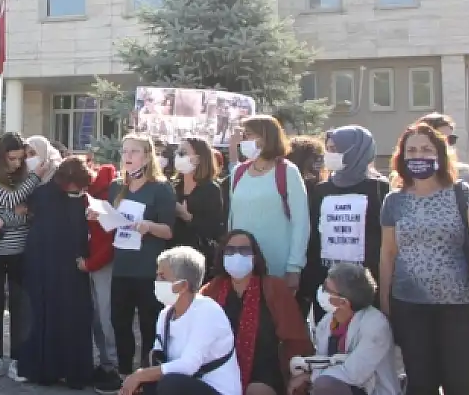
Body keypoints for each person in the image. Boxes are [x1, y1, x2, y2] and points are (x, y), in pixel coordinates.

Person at [379, 121, 469, 395]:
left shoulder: (460, 193)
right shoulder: (393, 201)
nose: (418, 156)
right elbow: (388, 253)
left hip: (461, 307)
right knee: (420, 384)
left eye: (426, 149)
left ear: (440, 154)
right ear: (402, 156)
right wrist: (384, 300)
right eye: (412, 150)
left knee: (459, 384)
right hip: (410, 306)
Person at [95, 133, 175, 377]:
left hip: (148, 269)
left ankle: (147, 375)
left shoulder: (160, 189)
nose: (127, 156)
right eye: (125, 151)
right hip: (122, 268)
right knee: (120, 324)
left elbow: (169, 231)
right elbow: (112, 224)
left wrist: (149, 226)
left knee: (149, 326)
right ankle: (123, 374)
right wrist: (98, 216)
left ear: (147, 156)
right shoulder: (117, 186)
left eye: (134, 152)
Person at [201, 230, 313, 395]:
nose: (237, 255)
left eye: (244, 250)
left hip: (264, 372)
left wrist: (297, 374)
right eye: (230, 250)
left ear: (255, 256)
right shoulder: (211, 290)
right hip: (219, 372)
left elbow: (295, 338)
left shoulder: (274, 288)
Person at [118, 246, 241, 395]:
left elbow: (188, 366)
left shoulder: (208, 312)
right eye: (157, 275)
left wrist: (140, 375)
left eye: (162, 277)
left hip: (216, 390)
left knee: (170, 384)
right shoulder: (166, 314)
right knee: (149, 381)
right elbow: (158, 357)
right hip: (186, 384)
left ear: (183, 285)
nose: (156, 281)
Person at [0, 132, 50, 381]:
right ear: (1, 156)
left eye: (20, 158)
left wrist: (4, 218)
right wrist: (34, 179)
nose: (17, 163)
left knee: (19, 306)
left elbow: (28, 212)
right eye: (12, 158)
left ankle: (17, 359)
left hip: (18, 249)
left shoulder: (21, 176)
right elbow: (0, 205)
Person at [18, 157, 95, 388]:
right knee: (55, 318)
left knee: (63, 318)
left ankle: (58, 371)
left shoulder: (60, 197)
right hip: (53, 266)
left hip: (62, 266)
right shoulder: (49, 195)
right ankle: (60, 372)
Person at [302, 126, 389, 322]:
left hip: (365, 283)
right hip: (328, 282)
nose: (330, 154)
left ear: (355, 151)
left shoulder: (379, 188)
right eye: (328, 149)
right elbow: (315, 236)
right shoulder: (322, 190)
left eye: (335, 149)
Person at [287, 263, 400, 395]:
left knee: (324, 385)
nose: (321, 291)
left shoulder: (376, 325)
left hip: (371, 390)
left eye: (326, 289)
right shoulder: (327, 321)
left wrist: (310, 377)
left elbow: (354, 373)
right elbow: (323, 361)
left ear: (343, 302)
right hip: (343, 386)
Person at [227, 115, 310, 289]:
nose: (243, 140)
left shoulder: (287, 171)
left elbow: (300, 222)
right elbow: (232, 219)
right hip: (241, 266)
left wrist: (294, 267)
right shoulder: (239, 172)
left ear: (266, 137)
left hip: (277, 267)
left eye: (247, 135)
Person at [86, 162, 122, 394]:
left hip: (102, 264)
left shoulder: (109, 195)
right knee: (96, 316)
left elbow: (110, 239)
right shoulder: (89, 194)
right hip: (91, 263)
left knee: (106, 315)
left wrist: (91, 263)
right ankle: (105, 362)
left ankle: (113, 365)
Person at [171, 136, 225, 277]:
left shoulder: (210, 189)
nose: (177, 156)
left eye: (183, 153)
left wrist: (187, 216)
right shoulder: (174, 187)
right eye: (177, 152)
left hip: (198, 259)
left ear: (199, 159)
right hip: (172, 256)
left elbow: (213, 228)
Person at [418, 112, 469, 189]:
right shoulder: (407, 176)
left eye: (450, 139)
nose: (446, 146)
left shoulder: (464, 174)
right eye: (440, 140)